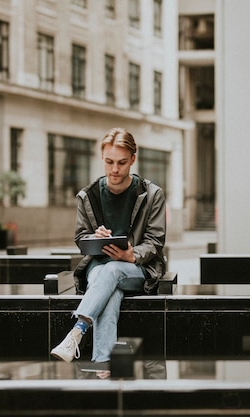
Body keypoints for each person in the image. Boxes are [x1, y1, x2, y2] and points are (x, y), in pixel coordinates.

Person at [51, 127, 166, 364]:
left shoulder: (152, 194)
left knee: (112, 271)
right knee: (110, 292)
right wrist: (94, 237)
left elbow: (156, 241)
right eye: (109, 162)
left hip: (138, 269)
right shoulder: (88, 195)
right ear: (101, 157)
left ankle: (78, 329)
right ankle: (103, 368)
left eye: (122, 162)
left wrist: (131, 254)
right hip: (99, 268)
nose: (115, 169)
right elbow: (80, 238)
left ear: (133, 159)